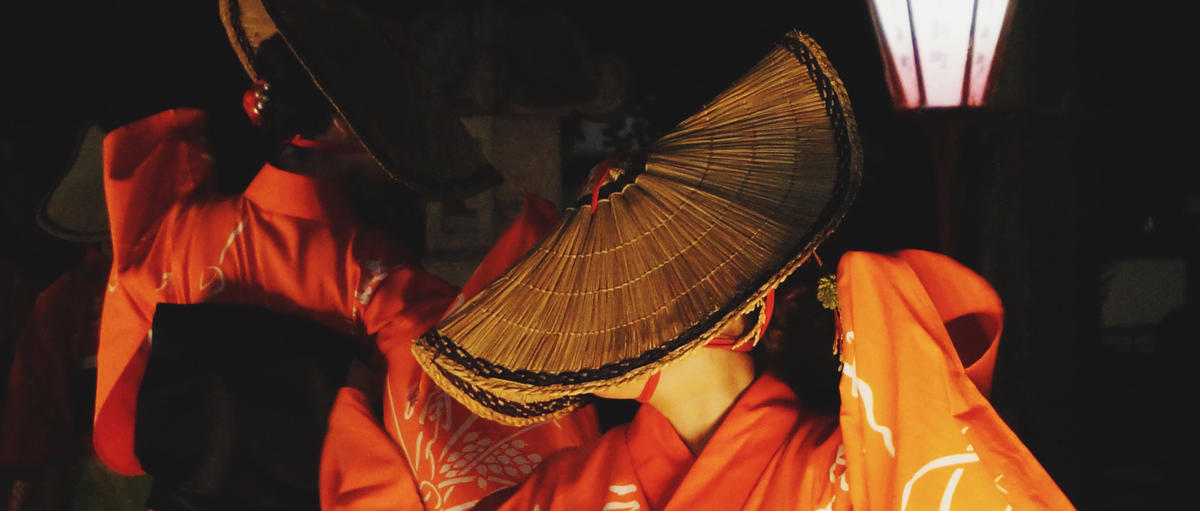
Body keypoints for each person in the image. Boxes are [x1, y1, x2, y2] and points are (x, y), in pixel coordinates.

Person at [411, 31, 1076, 509]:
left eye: (652, 281)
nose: (613, 314)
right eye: (603, 289)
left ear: (748, 303)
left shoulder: (855, 480)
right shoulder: (555, 495)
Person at [95, 0, 598, 508]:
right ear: (346, 127)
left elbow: (118, 445)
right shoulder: (381, 283)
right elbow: (462, 450)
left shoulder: (173, 236)